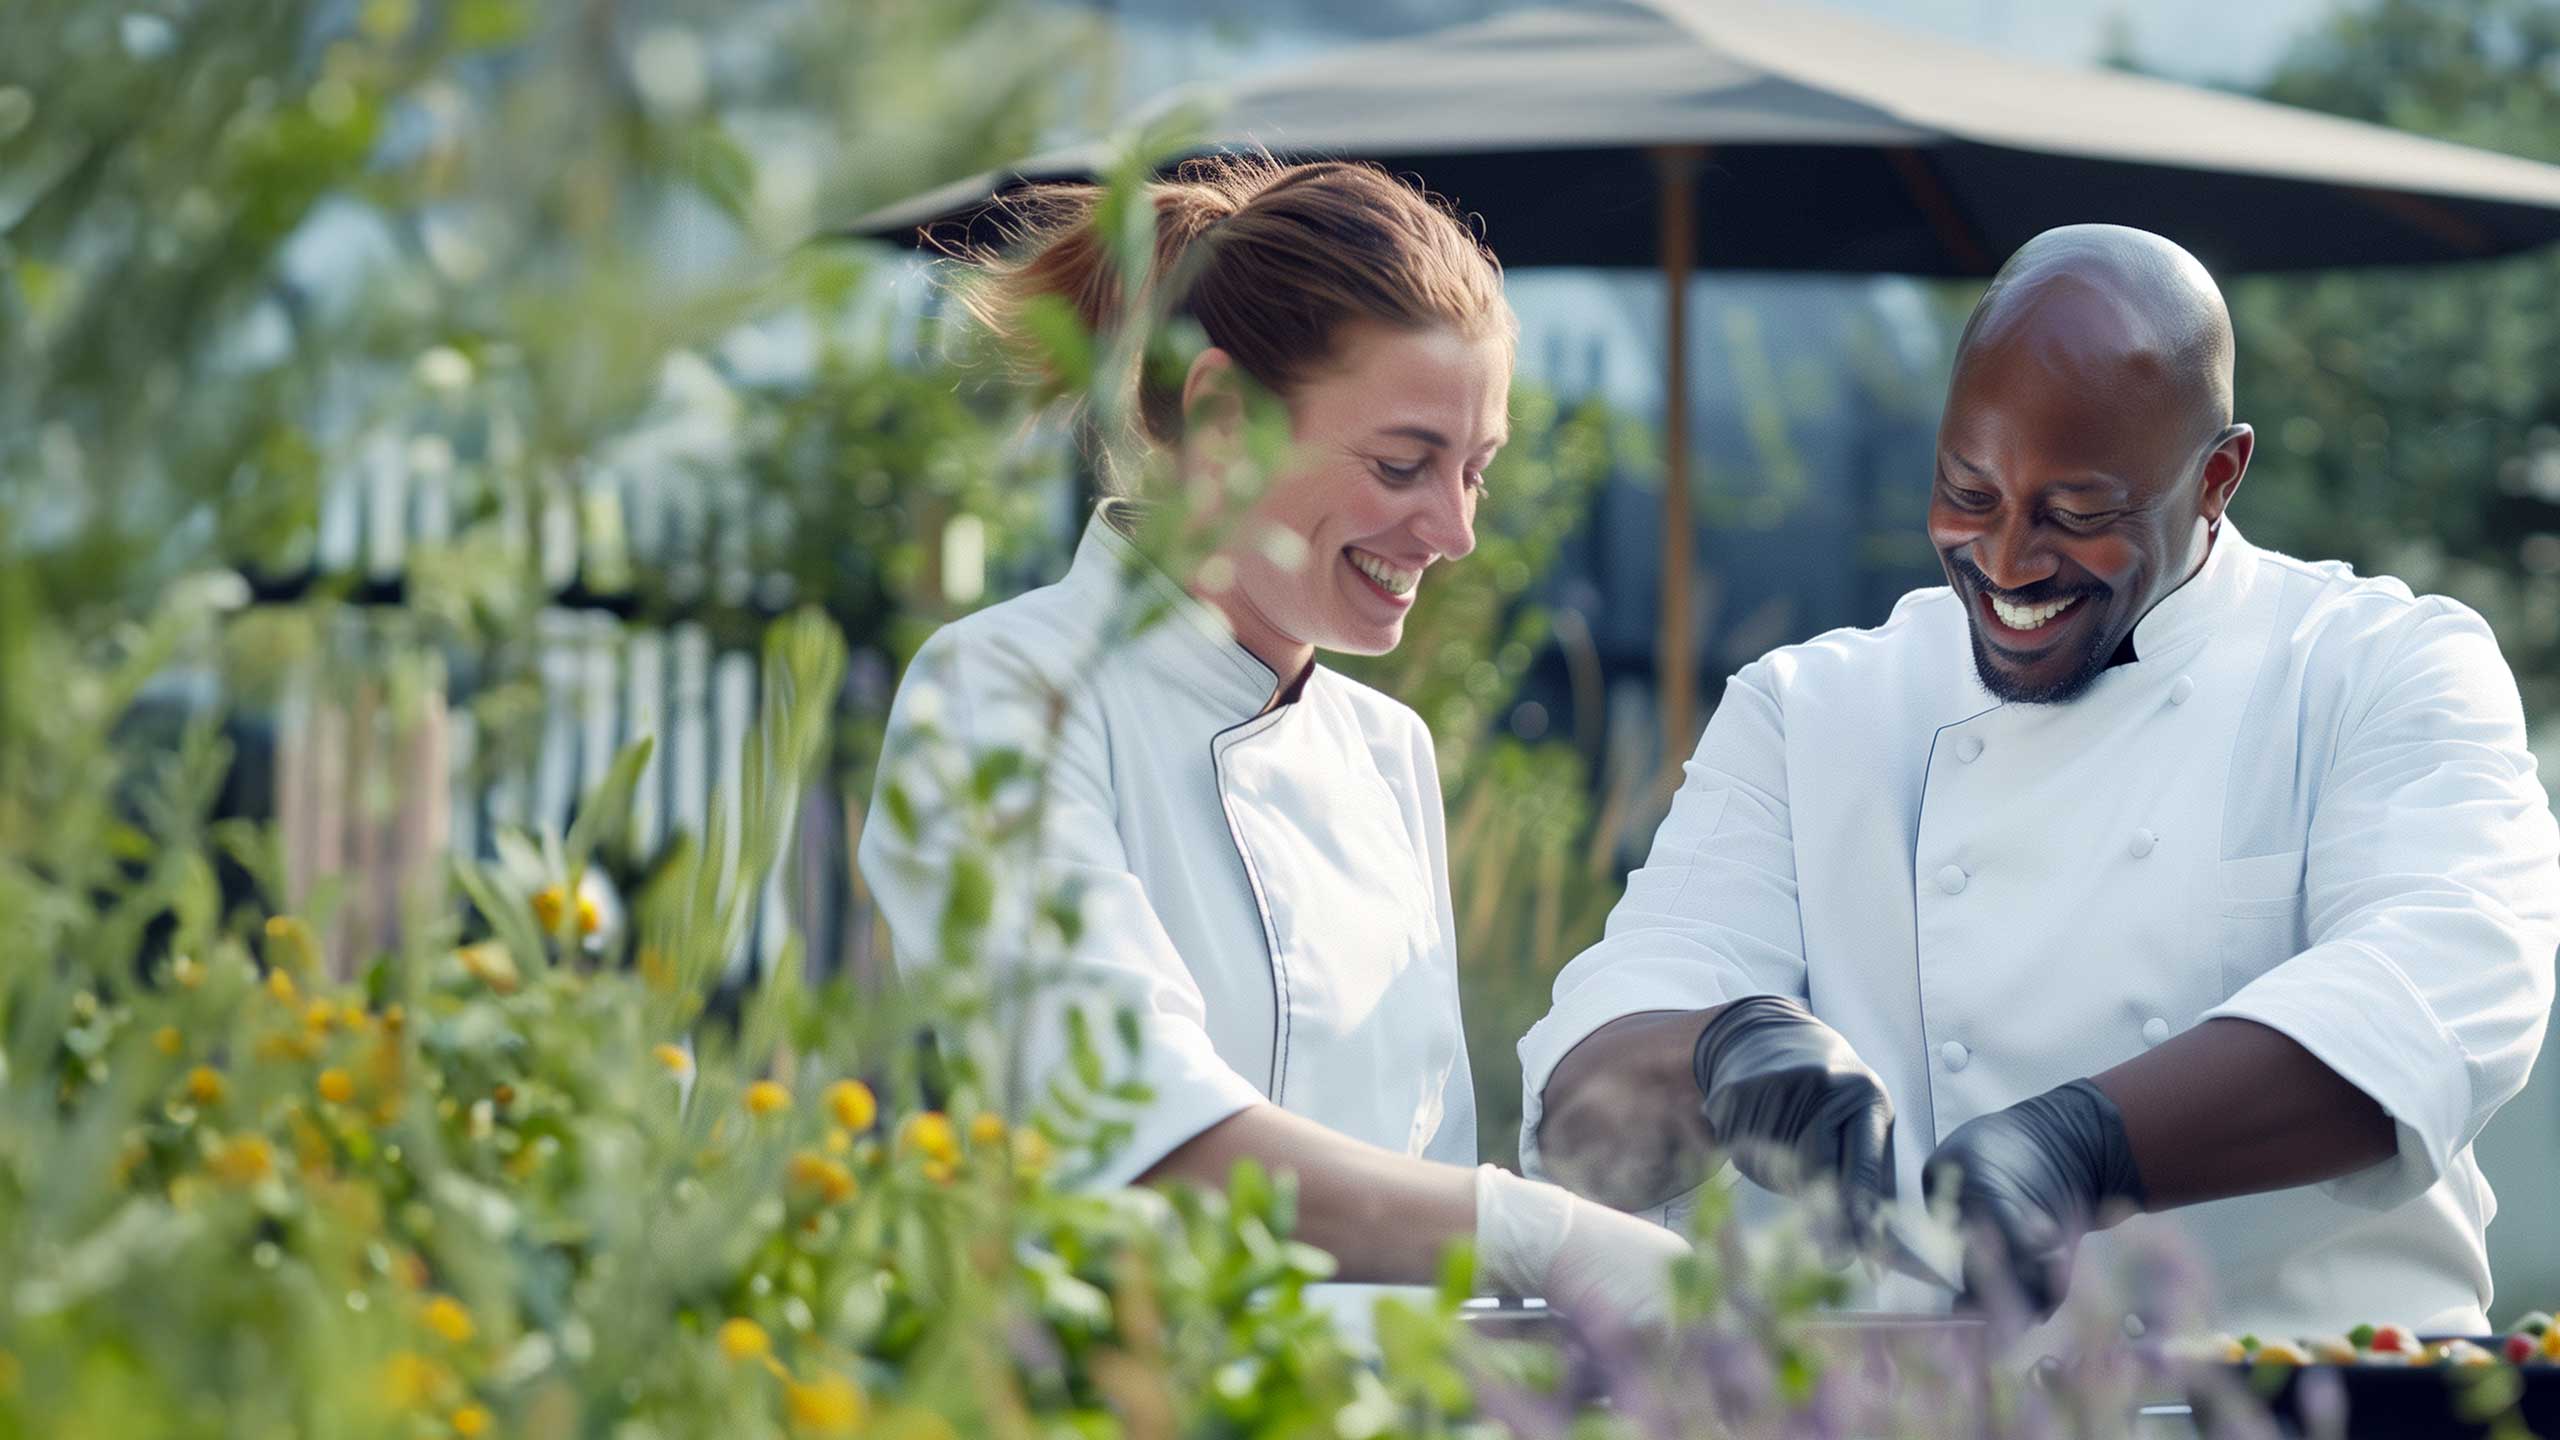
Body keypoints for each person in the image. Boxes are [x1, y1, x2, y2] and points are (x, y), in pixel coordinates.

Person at [1521, 224, 2560, 1338]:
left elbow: (2435, 988)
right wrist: (1721, 1054)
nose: (2007, 560)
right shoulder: (1808, 712)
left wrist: (2079, 1147)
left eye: (2077, 514)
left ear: (2216, 477)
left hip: (2314, 1390)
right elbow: (1590, 1093)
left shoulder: (2379, 669)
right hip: (1942, 1406)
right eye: (1967, 492)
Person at [860, 156, 1688, 1330]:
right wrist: (1531, 1235)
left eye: (1475, 471)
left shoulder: (1386, 752)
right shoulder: (1001, 692)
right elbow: (1129, 1133)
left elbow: (1423, 1186)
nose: (1454, 529)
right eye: (1402, 464)